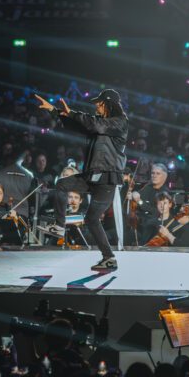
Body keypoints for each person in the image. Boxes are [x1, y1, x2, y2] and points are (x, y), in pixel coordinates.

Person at [37, 89, 128, 272]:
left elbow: (95, 125)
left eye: (99, 103)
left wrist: (71, 112)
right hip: (91, 175)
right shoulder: (99, 123)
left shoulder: (119, 122)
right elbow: (78, 125)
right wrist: (54, 111)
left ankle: (109, 258)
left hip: (107, 178)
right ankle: (60, 227)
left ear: (108, 103)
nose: (96, 106)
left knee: (91, 219)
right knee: (62, 184)